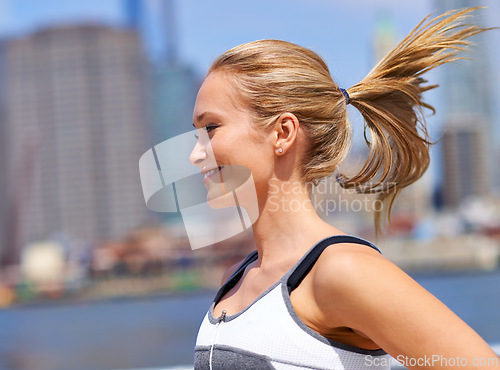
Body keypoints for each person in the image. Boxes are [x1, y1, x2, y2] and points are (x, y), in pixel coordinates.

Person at [190, 7, 499, 370]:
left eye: (210, 128)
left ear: (282, 133)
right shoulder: (236, 278)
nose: (196, 154)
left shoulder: (342, 270)